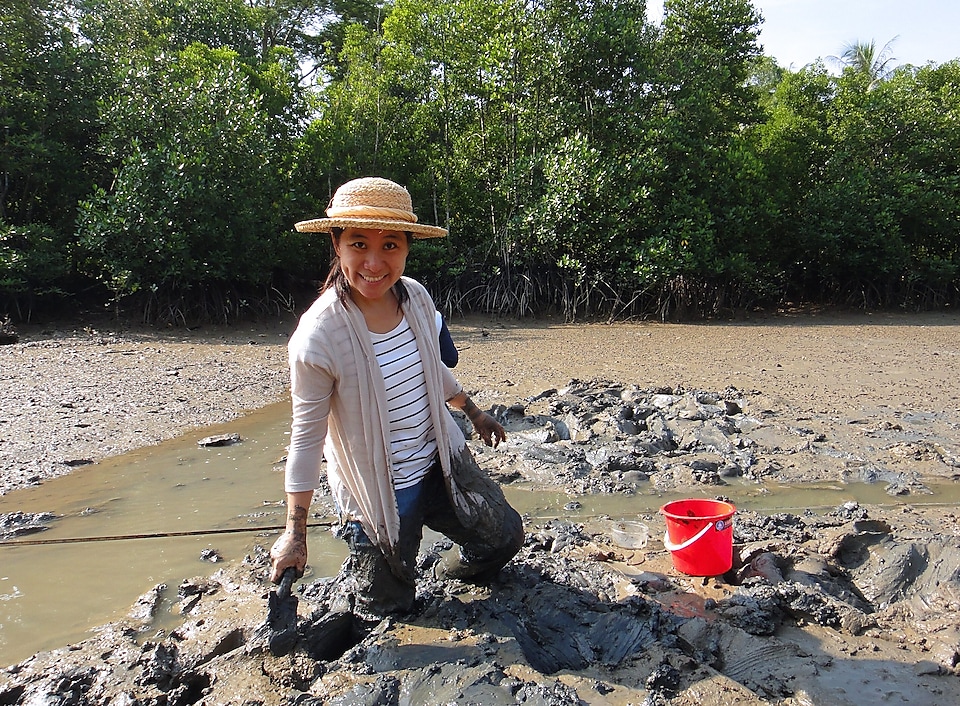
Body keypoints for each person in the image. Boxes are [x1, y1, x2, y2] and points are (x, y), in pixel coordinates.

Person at [269, 176, 524, 619]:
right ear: (337, 244)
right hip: (377, 491)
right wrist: (296, 531)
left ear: (407, 247)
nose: (373, 262)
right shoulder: (319, 336)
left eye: (390, 245)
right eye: (358, 244)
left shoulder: (416, 299)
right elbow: (306, 439)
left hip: (440, 461)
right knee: (387, 608)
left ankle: (449, 574)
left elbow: (431, 367)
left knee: (504, 537)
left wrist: (474, 411)